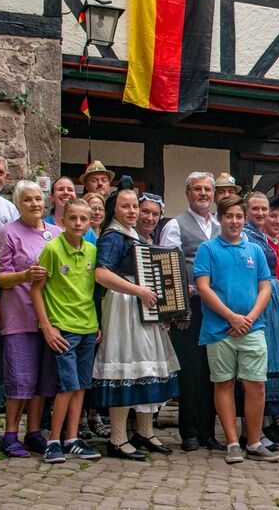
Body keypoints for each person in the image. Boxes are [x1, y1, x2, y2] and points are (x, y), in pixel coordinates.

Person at [90, 184, 181, 460]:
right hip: (123, 306)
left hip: (141, 306)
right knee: (127, 367)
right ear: (114, 209)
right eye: (125, 206)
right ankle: (117, 438)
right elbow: (101, 274)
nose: (131, 211)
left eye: (134, 206)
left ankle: (144, 432)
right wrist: (138, 291)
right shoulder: (113, 236)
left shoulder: (134, 235)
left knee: (146, 366)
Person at [193, 195, 278, 464]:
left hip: (252, 328)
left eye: (239, 216)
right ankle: (232, 442)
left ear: (244, 219)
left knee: (256, 385)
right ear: (220, 219)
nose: (234, 221)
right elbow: (203, 287)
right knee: (224, 384)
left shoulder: (255, 250)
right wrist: (231, 317)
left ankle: (253, 441)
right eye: (229, 216)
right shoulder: (208, 249)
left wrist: (248, 319)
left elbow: (265, 287)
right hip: (219, 329)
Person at [29, 199, 102, 463]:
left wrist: (98, 324)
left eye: (83, 219)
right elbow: (36, 290)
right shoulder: (52, 249)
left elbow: (93, 292)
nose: (78, 223)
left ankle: (72, 438)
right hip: (64, 329)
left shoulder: (92, 250)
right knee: (66, 386)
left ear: (90, 222)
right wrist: (46, 325)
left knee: (81, 385)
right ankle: (53, 441)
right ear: (64, 220)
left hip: (87, 327)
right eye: (73, 218)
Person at [0, 180, 61, 457]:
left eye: (37, 199)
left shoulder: (57, 233)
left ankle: (33, 432)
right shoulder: (9, 233)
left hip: (51, 318)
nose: (34, 204)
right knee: (20, 378)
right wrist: (25, 275)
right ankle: (10, 434)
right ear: (18, 204)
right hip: (19, 315)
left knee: (44, 381)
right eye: (27, 200)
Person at [159, 171, 221, 451]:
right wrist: (178, 311)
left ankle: (208, 431)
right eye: (198, 189)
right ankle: (189, 432)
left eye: (207, 189)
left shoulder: (220, 225)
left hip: (216, 307)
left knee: (212, 371)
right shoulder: (176, 225)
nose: (203, 194)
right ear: (188, 193)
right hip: (191, 307)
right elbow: (168, 268)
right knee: (191, 370)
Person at [243, 192, 279, 442]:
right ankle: (256, 429)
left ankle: (267, 424)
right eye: (256, 209)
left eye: (264, 210)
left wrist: (277, 283)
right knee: (259, 365)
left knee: (270, 361)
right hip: (259, 303)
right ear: (247, 211)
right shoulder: (246, 236)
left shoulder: (263, 238)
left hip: (271, 301)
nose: (263, 214)